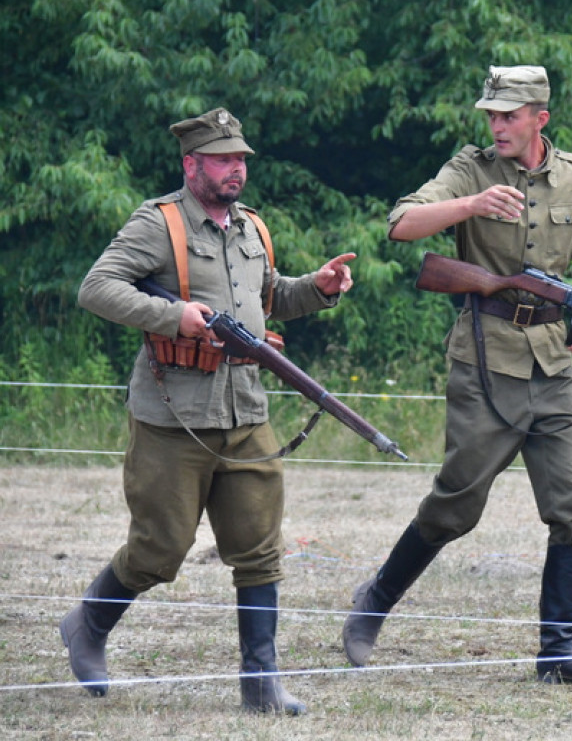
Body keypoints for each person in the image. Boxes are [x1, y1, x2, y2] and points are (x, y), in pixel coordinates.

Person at [62, 108, 356, 714]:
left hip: (245, 409)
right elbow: (98, 287)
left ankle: (261, 682)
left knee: (259, 546)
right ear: (191, 164)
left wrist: (319, 288)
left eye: (242, 159)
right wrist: (173, 316)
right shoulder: (159, 223)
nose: (237, 170)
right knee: (159, 549)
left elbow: (270, 298)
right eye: (224, 160)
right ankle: (88, 625)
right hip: (175, 415)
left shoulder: (251, 228)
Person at [342, 66, 572, 686]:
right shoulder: (469, 170)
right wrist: (471, 204)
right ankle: (374, 603)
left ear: (539, 119)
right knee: (454, 508)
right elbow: (400, 223)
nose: (496, 125)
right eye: (490, 115)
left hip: (555, 363)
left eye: (509, 116)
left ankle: (557, 652)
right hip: (485, 359)